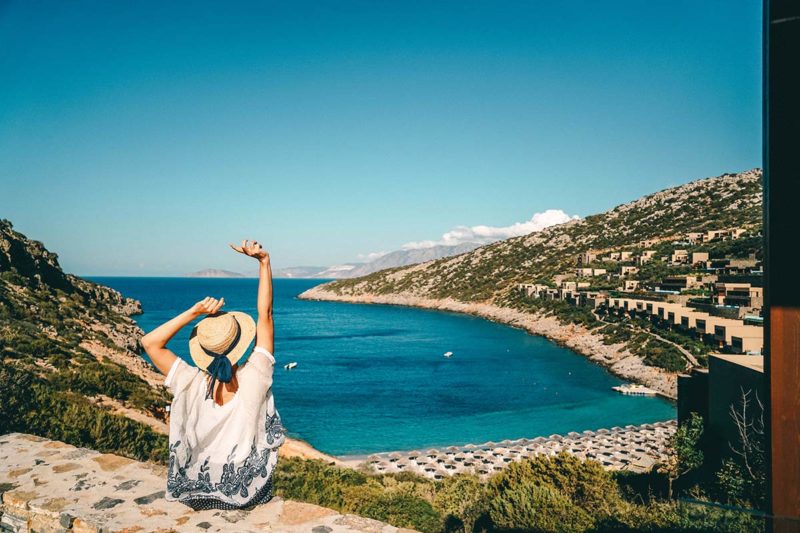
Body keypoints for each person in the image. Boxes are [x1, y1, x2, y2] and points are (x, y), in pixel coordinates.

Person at [141, 240, 284, 510]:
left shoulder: (190, 381)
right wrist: (264, 262)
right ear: (241, 342)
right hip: (245, 494)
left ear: (202, 350)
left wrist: (194, 312)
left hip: (197, 492)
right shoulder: (254, 378)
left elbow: (150, 343)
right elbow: (265, 315)